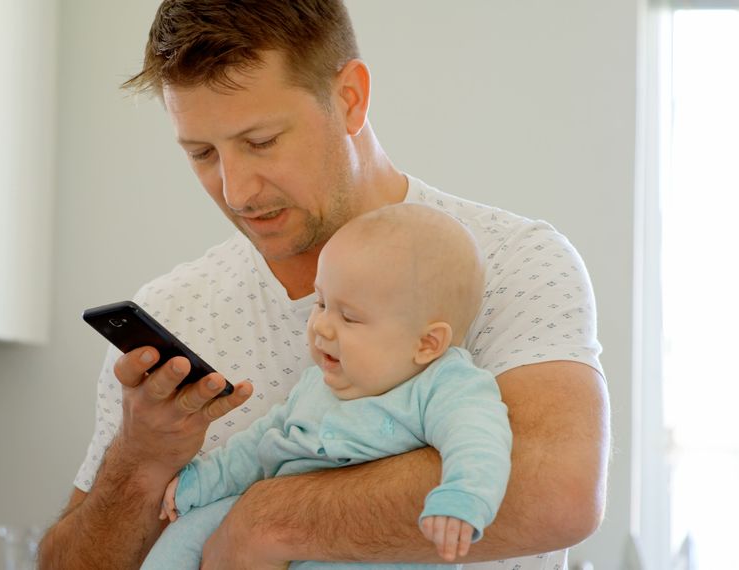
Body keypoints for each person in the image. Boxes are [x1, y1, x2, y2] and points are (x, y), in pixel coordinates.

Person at [38, 1, 609, 568]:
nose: (236, 191)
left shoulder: (510, 261)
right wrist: (138, 463)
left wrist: (265, 521)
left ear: (350, 98)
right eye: (203, 154)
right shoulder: (173, 311)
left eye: (261, 142)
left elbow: (556, 496)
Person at [142, 203, 513, 569]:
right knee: (187, 531)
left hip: (368, 547)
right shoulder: (317, 383)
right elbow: (260, 444)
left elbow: (480, 442)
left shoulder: (446, 385)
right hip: (276, 522)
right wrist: (202, 482)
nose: (321, 326)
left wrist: (462, 498)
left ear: (427, 343)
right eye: (321, 303)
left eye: (349, 316)